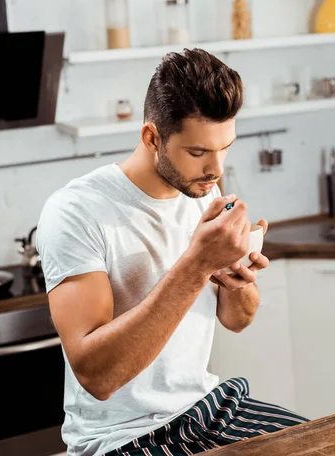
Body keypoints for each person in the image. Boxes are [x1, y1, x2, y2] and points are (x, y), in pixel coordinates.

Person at [36, 48, 308, 456]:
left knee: (331, 443)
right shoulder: (76, 211)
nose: (215, 168)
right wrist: (198, 264)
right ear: (152, 138)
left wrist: (238, 280)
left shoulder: (204, 190)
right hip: (120, 437)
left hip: (209, 408)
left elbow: (237, 320)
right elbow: (98, 376)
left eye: (225, 148)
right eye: (198, 152)